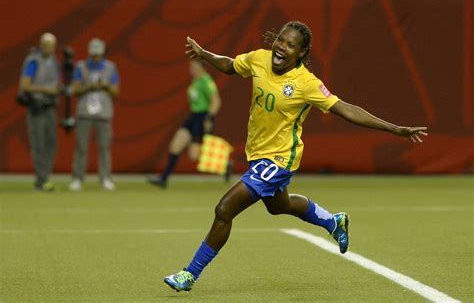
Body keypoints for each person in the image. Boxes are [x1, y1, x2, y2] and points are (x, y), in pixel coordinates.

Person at [163, 21, 428, 292]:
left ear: (301, 53)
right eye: (280, 40)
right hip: (257, 154)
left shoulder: (306, 84)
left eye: (291, 45)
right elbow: (230, 65)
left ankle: (189, 274)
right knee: (279, 206)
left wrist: (394, 129)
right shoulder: (259, 59)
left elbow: (346, 109)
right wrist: (204, 54)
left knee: (224, 209)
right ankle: (332, 221)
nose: (282, 47)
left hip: (279, 159)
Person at [147, 59, 222, 188]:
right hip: (192, 117)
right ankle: (163, 179)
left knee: (194, 156)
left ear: (201, 67)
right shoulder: (196, 80)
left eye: (194, 66)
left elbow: (216, 101)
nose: (191, 68)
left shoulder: (206, 81)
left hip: (202, 118)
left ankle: (225, 165)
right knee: (175, 146)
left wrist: (209, 119)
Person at [69, 38, 120, 191]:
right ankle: (77, 178)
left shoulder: (110, 67)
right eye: (93, 55)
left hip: (103, 113)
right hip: (84, 112)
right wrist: (89, 87)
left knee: (104, 147)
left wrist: (105, 86)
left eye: (98, 55)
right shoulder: (81, 66)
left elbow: (116, 91)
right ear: (89, 53)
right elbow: (75, 89)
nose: (96, 57)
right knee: (81, 147)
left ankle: (105, 178)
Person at [19, 33, 61, 191]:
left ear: (54, 46)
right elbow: (25, 85)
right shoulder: (33, 61)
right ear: (40, 44)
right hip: (36, 106)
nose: (47, 48)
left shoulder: (54, 62)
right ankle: (41, 180)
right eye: (44, 45)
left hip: (50, 106)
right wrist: (46, 90)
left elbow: (55, 83)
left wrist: (56, 90)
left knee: (51, 143)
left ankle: (46, 177)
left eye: (50, 45)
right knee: (39, 144)